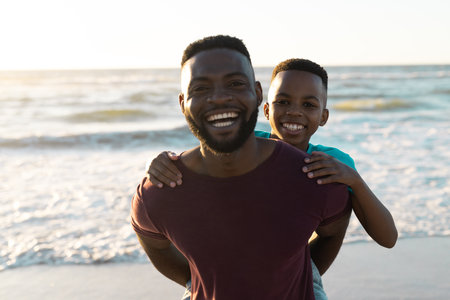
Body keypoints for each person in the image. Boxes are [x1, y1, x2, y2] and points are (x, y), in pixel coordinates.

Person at [147, 58, 398, 299]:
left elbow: (388, 239)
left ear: (323, 116)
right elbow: (195, 163)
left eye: (308, 105)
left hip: (296, 273)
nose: (294, 112)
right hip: (219, 270)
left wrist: (355, 181)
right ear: (266, 109)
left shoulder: (331, 163)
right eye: (283, 102)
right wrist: (161, 161)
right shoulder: (241, 144)